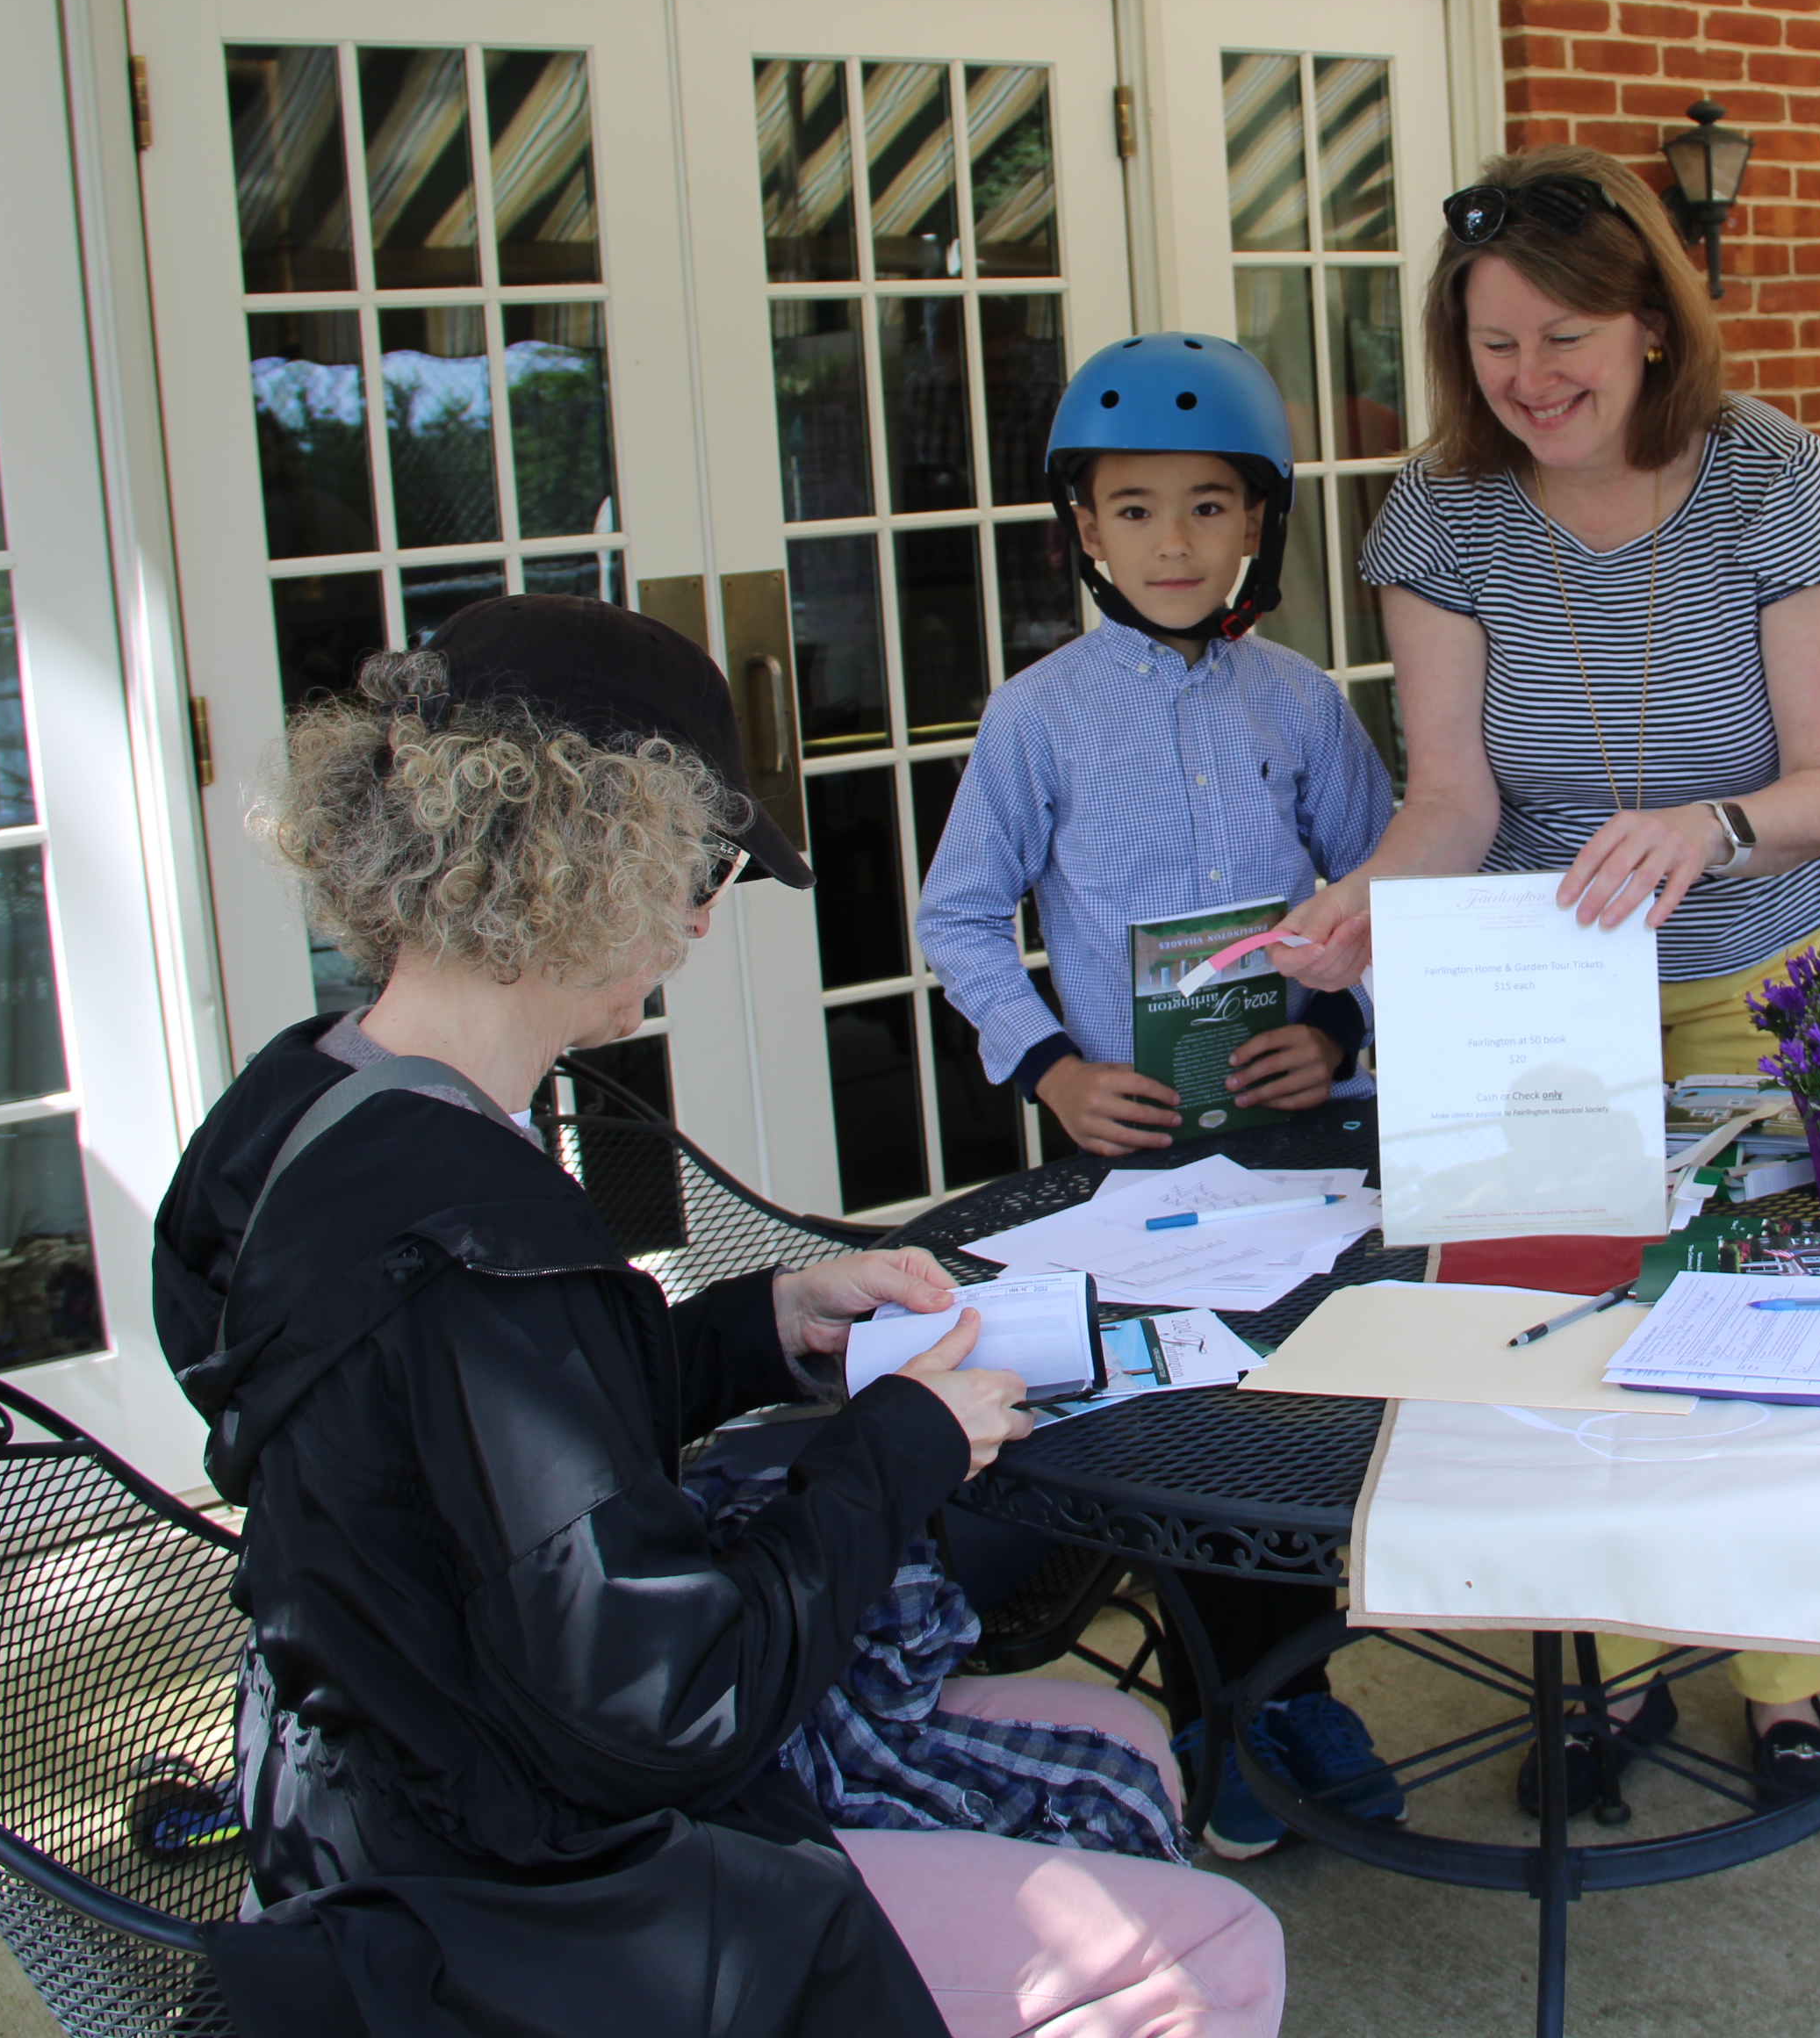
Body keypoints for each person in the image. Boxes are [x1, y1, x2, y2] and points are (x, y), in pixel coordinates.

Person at [150, 593, 1283, 2038]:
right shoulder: (481, 1237)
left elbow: (453, 1450)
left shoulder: (302, 1103)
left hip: (374, 1785)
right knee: (1218, 1951)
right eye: (698, 867)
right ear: (578, 855)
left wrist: (763, 1324)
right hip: (518, 1904)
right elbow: (675, 1704)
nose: (696, 920)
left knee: (1119, 1728)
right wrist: (903, 1444)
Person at [1271, 143, 1820, 1809]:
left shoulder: (1770, 479)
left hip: (1766, 960)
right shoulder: (1441, 513)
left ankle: (1780, 1675)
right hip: (1547, 994)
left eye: (1563, 337)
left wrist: (1711, 826)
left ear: (1648, 326)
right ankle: (1599, 1673)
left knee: (1753, 1327)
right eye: (1492, 345)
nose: (1528, 378)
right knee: (1552, 1331)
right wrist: (1356, 908)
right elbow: (1453, 803)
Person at [917, 331, 1400, 1861]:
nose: (1172, 542)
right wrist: (1049, 1066)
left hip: (1291, 1135)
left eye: (1206, 506)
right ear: (1084, 527)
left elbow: (1390, 886)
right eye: (1134, 509)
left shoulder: (1300, 704)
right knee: (1180, 1421)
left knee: (1300, 1409)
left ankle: (1299, 1687)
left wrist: (1339, 1033)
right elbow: (956, 917)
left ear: (1258, 521)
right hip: (1132, 1155)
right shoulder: (1038, 715)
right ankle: (1219, 1710)